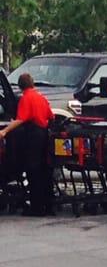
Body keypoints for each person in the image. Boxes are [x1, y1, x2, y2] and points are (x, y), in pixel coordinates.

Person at [0, 73, 55, 216]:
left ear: (20, 86)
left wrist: (5, 131)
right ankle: (48, 206)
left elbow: (21, 119)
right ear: (32, 84)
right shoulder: (41, 97)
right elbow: (51, 116)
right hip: (44, 134)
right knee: (44, 171)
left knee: (33, 171)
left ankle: (36, 208)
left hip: (33, 137)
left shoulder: (26, 98)